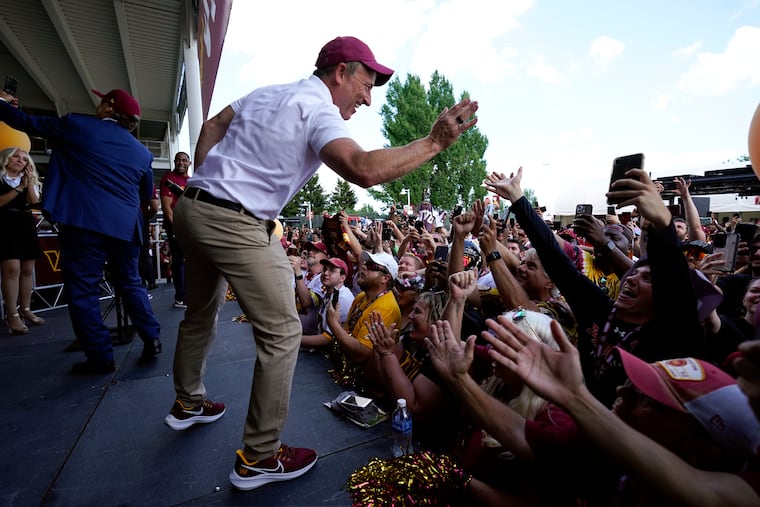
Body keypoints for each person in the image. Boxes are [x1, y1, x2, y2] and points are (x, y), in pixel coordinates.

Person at [164, 35, 478, 491]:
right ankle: (259, 457)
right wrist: (433, 142)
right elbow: (364, 169)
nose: (368, 99)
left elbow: (211, 126)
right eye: (366, 85)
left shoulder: (267, 93)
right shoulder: (318, 109)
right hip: (237, 219)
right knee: (283, 331)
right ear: (340, 73)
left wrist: (211, 181)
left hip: (195, 208)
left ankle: (187, 403)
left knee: (199, 312)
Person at [482, 314, 760, 506]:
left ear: (700, 451)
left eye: (647, 398)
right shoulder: (599, 454)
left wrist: (575, 397)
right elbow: (523, 434)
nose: (621, 392)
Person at [0, 88, 162, 373]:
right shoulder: (142, 152)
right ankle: (152, 338)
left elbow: (25, 122)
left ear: (109, 108)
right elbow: (148, 195)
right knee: (131, 283)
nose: (98, 106)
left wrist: (2, 103)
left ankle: (101, 357)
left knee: (84, 291)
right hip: (126, 226)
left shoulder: (78, 125)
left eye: (102, 102)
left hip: (84, 222)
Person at [0, 147, 44, 334]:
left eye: (25, 159)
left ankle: (26, 309)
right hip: (4, 223)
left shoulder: (27, 180)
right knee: (12, 269)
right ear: (6, 159)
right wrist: (18, 188)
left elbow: (34, 201)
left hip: (25, 223)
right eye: (16, 156)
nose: (20, 160)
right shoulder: (1, 178)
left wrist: (27, 183)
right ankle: (12, 316)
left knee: (27, 270)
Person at [160, 152, 191, 308]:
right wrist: (176, 228)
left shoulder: (191, 181)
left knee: (191, 262)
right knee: (179, 261)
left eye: (184, 160)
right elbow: (167, 208)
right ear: (174, 161)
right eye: (178, 159)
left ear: (189, 163)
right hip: (176, 227)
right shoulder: (169, 179)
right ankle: (181, 297)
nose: (181, 162)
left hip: (191, 227)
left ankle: (190, 294)